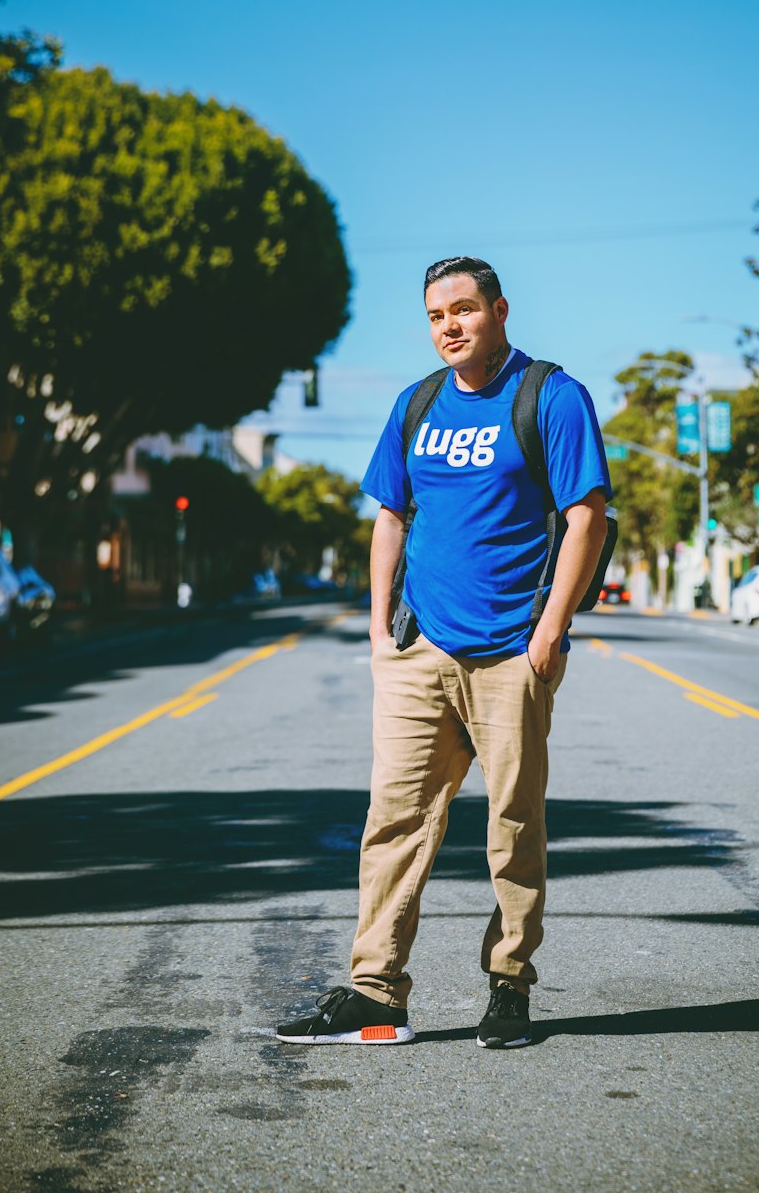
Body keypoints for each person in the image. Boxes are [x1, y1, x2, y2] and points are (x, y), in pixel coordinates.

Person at [276, 256, 611, 1048]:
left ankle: (509, 986)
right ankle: (376, 991)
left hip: (510, 655)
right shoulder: (417, 404)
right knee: (392, 821)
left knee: (513, 825)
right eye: (436, 316)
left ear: (499, 309)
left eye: (463, 310)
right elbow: (390, 516)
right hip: (418, 651)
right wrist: (377, 625)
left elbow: (587, 517)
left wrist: (550, 630)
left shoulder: (551, 397)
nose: (450, 327)